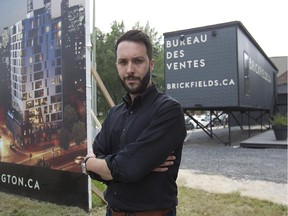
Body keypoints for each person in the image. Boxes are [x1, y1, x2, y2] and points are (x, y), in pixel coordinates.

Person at [83, 30, 186, 216]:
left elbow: (129, 168)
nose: (130, 69)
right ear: (117, 65)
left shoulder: (168, 110)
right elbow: (118, 167)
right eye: (123, 62)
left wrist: (92, 163)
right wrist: (135, 164)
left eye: (138, 61)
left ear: (151, 64)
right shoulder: (114, 113)